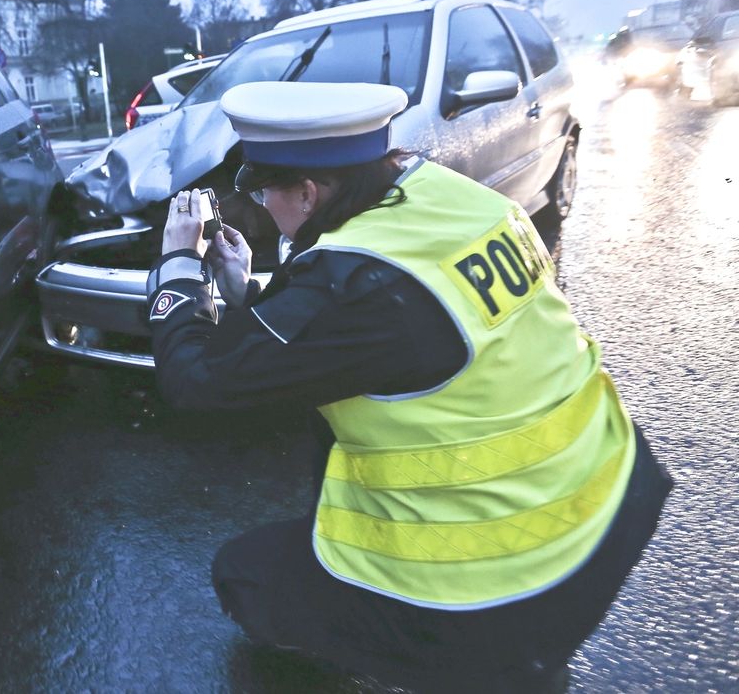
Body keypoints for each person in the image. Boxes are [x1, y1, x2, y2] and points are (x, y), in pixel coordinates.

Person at [144, 81, 672, 693]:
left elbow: (199, 386)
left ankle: (464, 664)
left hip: (511, 579)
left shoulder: (359, 285)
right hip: (606, 497)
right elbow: (358, 338)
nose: (262, 207)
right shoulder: (451, 200)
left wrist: (177, 268)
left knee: (245, 577)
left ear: (308, 192)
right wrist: (244, 292)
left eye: (263, 191)